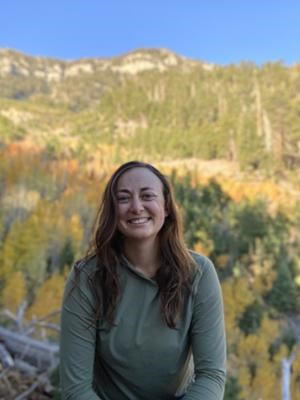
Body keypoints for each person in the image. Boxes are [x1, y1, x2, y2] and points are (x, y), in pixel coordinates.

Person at [59, 161, 226, 400]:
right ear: (112, 211)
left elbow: (211, 376)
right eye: (124, 198)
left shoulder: (199, 273)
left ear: (166, 206)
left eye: (147, 195)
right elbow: (76, 390)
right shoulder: (87, 278)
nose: (137, 207)